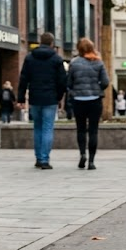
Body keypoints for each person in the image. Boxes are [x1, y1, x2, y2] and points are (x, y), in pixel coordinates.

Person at [17, 33, 67, 169]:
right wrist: (59, 96)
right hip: (50, 98)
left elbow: (23, 78)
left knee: (37, 128)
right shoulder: (56, 59)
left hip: (35, 97)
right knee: (47, 128)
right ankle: (45, 159)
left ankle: (39, 157)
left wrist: (20, 97)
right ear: (52, 43)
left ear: (40, 42)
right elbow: (62, 80)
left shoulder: (30, 58)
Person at [68, 38, 109, 170]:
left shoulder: (74, 63)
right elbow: (105, 82)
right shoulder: (98, 63)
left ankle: (82, 154)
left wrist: (74, 91)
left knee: (80, 129)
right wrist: (97, 88)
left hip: (79, 100)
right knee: (93, 131)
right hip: (95, 100)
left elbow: (69, 83)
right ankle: (91, 161)